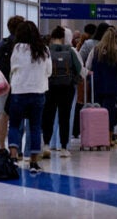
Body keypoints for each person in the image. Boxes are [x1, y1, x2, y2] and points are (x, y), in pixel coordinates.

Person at [6, 21, 52, 174]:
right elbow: (49, 71)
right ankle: (33, 162)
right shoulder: (44, 49)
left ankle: (13, 158)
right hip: (38, 91)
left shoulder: (17, 48)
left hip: (19, 91)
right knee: (35, 127)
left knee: (14, 125)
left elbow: (12, 68)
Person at [41, 26, 82, 157]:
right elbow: (79, 69)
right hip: (67, 88)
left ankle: (46, 144)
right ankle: (64, 148)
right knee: (65, 116)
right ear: (64, 38)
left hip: (50, 87)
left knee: (49, 115)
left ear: (52, 37)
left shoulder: (46, 50)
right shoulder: (70, 50)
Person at [84, 28, 117, 145]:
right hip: (111, 87)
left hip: (96, 86)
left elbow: (87, 65)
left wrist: (90, 78)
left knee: (97, 111)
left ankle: (97, 138)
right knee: (109, 113)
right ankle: (108, 139)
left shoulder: (96, 49)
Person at [0, 15, 24, 153]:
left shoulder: (1, 44)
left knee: (3, 114)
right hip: (20, 84)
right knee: (19, 116)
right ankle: (16, 147)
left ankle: (1, 146)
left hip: (4, 85)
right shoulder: (24, 46)